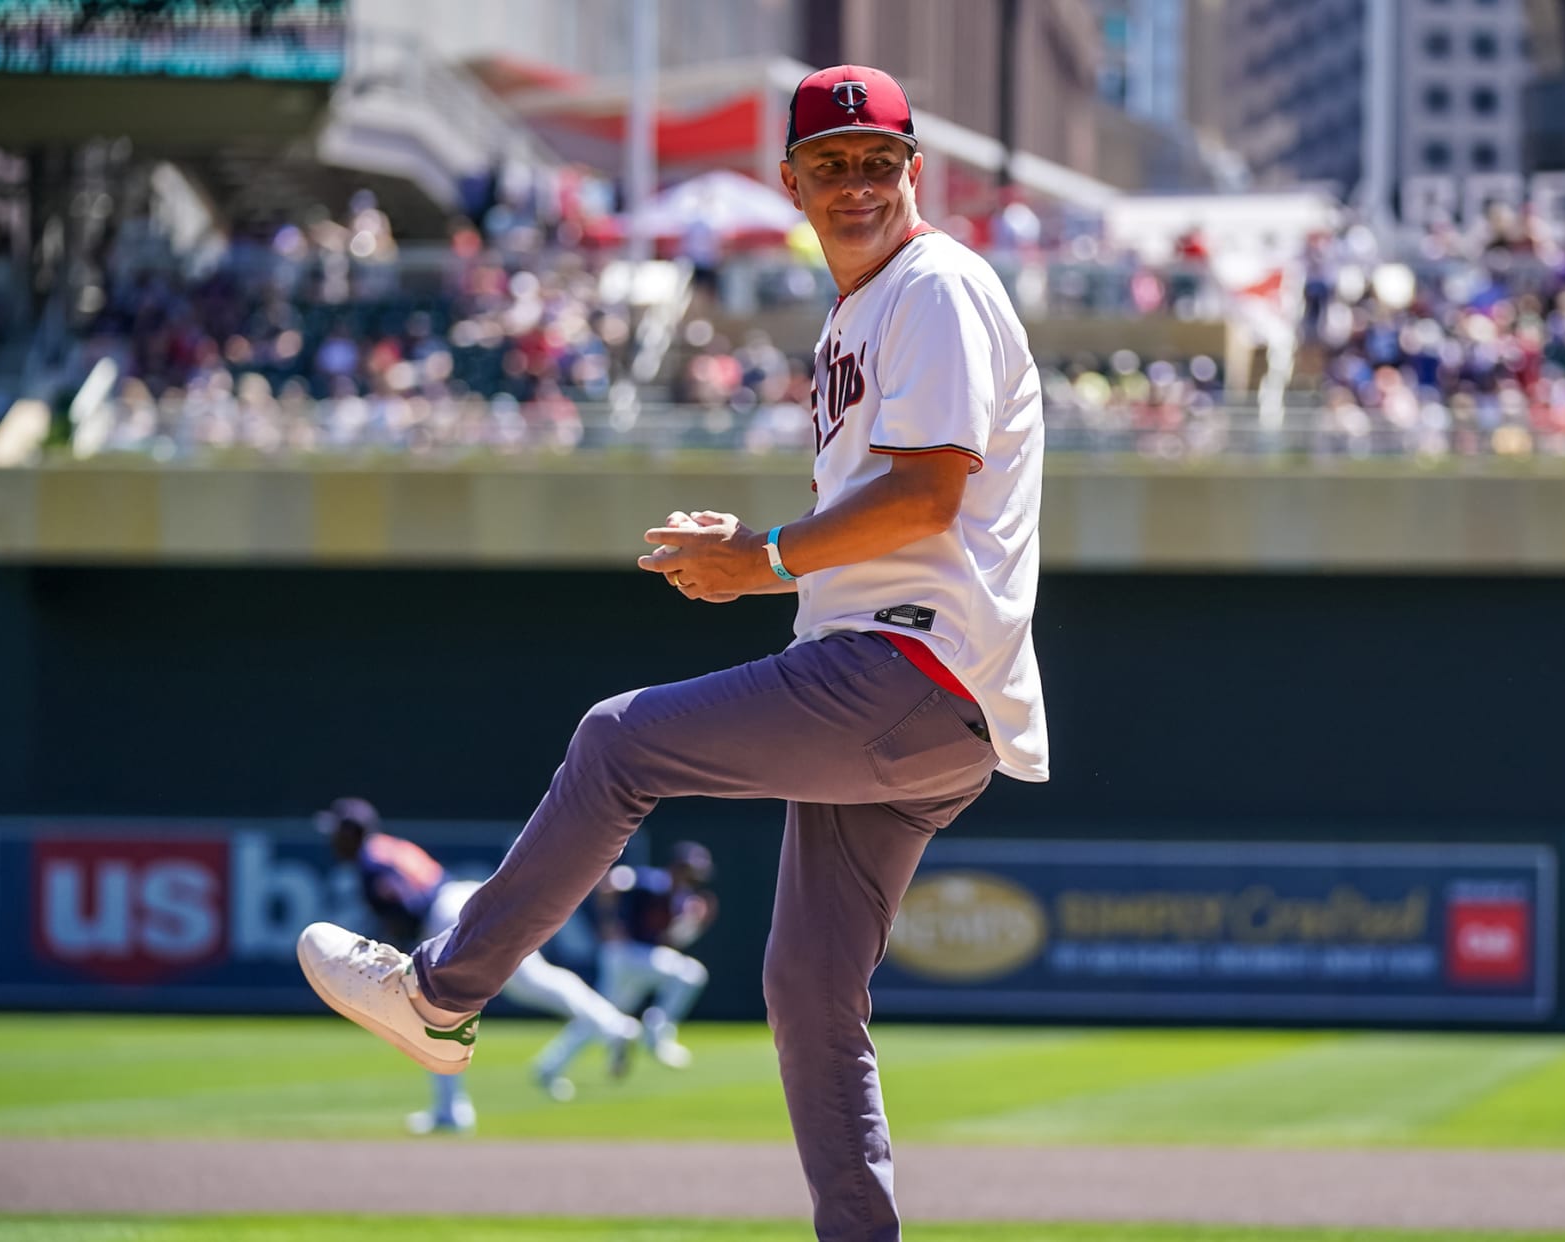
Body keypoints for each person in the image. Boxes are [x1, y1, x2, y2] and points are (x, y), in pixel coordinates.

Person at [296, 62, 1049, 1242]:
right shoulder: (858, 312)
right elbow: (886, 520)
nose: (857, 182)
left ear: (916, 173)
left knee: (617, 743)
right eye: (831, 164)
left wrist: (765, 558)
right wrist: (767, 558)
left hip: (910, 673)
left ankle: (442, 997)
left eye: (879, 161)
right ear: (792, 181)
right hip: (918, 697)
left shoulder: (935, 285)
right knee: (806, 994)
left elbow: (926, 499)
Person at [311, 797, 643, 1134]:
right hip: (461, 901)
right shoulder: (386, 847)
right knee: (534, 981)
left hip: (444, 916)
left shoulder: (370, 862)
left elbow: (405, 909)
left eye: (336, 831)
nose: (332, 839)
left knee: (430, 1010)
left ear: (352, 832)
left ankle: (450, 1111)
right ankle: (614, 1025)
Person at [533, 840, 718, 1079]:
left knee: (600, 1016)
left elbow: (668, 941)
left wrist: (693, 924)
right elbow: (611, 883)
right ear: (678, 866)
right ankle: (656, 1030)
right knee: (690, 975)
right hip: (626, 954)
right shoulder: (653, 881)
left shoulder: (684, 900)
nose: (695, 875)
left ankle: (549, 1068)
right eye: (691, 869)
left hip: (641, 960)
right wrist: (609, 925)